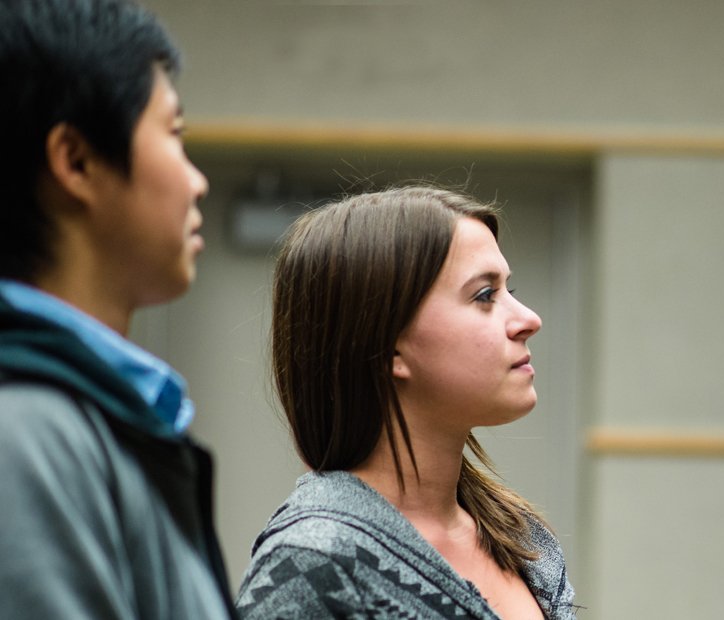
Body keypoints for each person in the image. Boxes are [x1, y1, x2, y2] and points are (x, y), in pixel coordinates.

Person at [236, 187, 577, 619]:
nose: (529, 319)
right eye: (485, 295)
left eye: (509, 289)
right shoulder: (313, 563)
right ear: (388, 345)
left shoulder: (523, 539)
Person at [0, 0, 233, 617]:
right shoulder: (26, 436)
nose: (196, 181)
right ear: (76, 161)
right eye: (174, 135)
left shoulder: (94, 417)